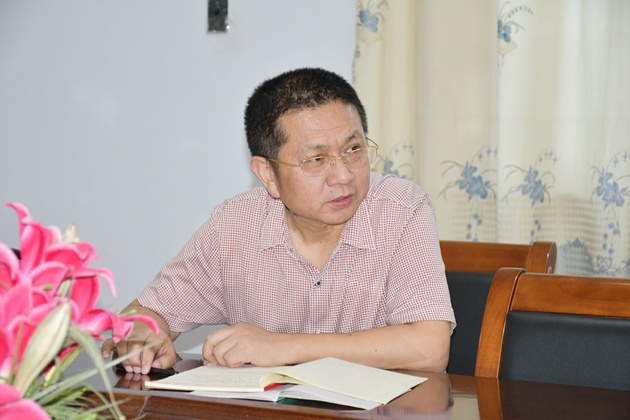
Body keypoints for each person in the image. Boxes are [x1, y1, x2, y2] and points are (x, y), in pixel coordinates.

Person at [101, 67, 455, 375]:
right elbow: (146, 314)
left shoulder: (401, 210)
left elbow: (430, 348)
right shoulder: (234, 226)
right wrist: (141, 338)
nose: (344, 176)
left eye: (353, 149)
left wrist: (283, 347)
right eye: (316, 160)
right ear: (267, 174)